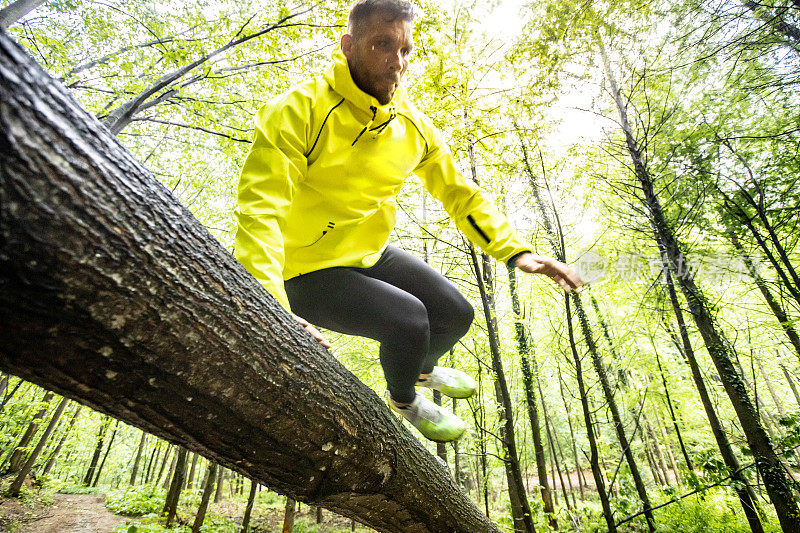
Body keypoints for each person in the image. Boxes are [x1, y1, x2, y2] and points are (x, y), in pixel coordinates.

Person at [234, 0, 583, 443]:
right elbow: (260, 209)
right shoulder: (297, 111)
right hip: (300, 268)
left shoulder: (412, 126)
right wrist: (270, 306)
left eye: (405, 50)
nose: (396, 62)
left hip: (364, 251)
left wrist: (516, 251)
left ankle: (421, 370)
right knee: (409, 320)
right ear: (348, 46)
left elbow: (459, 193)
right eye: (382, 44)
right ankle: (406, 401)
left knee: (456, 313)